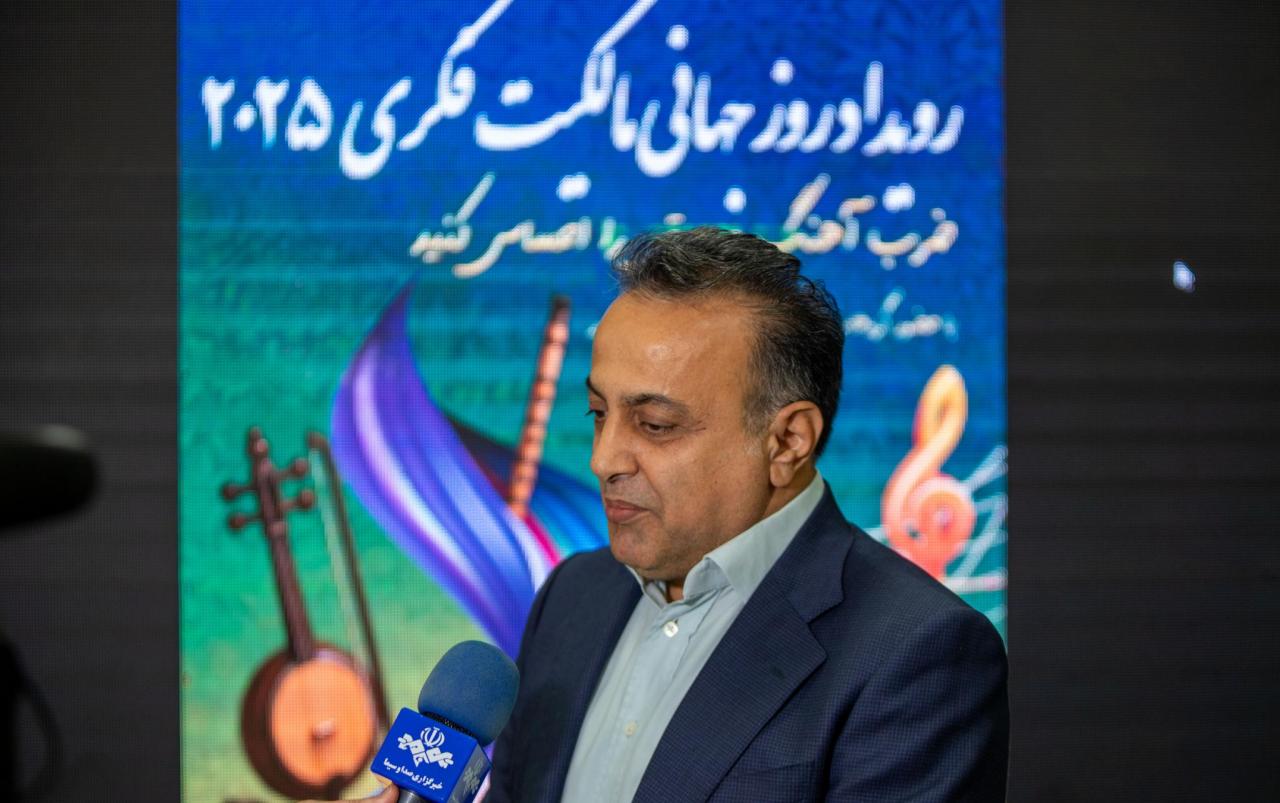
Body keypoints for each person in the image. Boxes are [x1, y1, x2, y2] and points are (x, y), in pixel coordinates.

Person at [323, 226, 1008, 803]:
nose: (603, 459)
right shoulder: (574, 595)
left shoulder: (920, 655)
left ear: (787, 441)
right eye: (599, 413)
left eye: (654, 425)